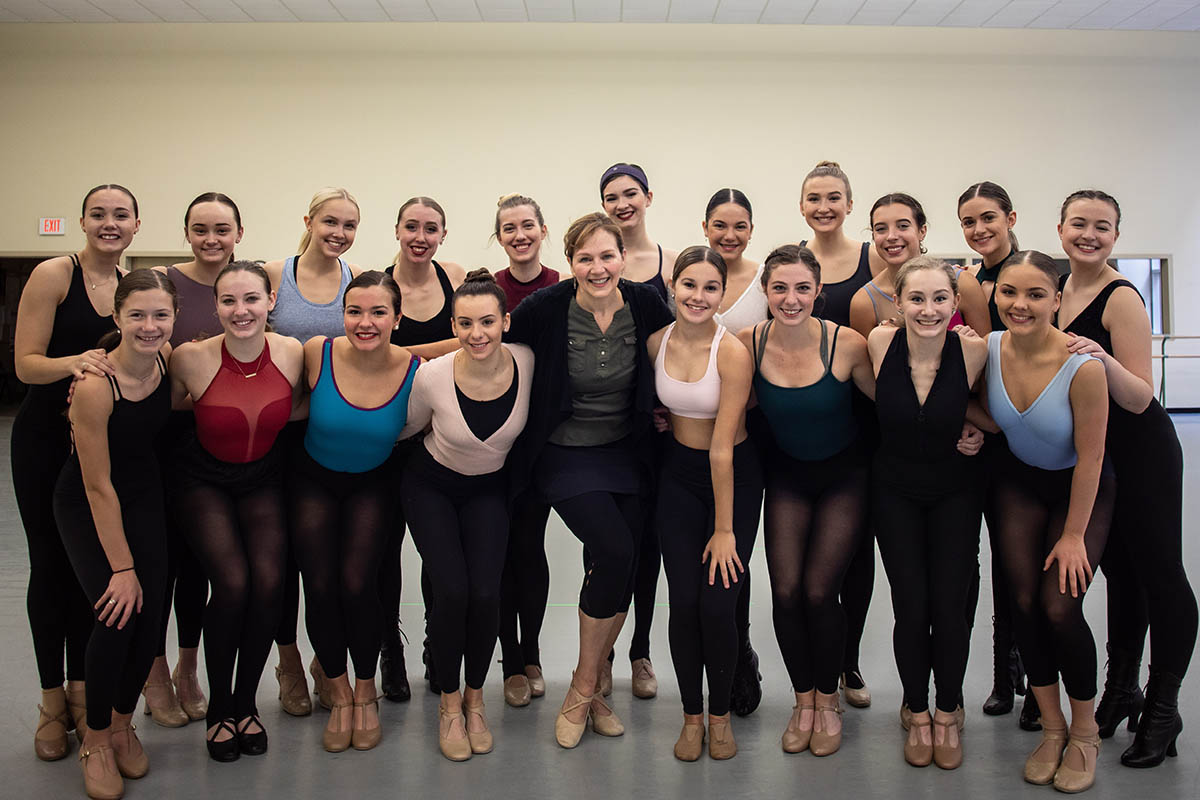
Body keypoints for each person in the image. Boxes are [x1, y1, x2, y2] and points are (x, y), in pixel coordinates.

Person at [505, 211, 673, 748]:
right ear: (570, 262)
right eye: (585, 258)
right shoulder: (544, 309)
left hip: (627, 450)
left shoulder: (646, 305)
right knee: (615, 548)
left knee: (620, 564)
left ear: (623, 259)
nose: (597, 268)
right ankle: (582, 687)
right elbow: (489, 349)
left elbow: (681, 356)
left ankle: (595, 684)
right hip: (563, 451)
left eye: (607, 256)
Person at [1056, 190, 1196, 768]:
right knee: (1120, 572)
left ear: (1116, 235)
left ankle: (1163, 708)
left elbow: (1141, 396)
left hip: (1142, 452)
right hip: (1097, 454)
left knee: (1161, 573)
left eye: (1102, 227)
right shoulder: (1059, 287)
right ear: (1060, 228)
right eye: (1079, 224)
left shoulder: (1121, 298)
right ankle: (1121, 689)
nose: (1089, 235)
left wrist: (1099, 357)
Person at [737, 244, 875, 758]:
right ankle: (802, 701)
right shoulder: (749, 343)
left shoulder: (848, 344)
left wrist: (965, 424)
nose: (790, 299)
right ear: (765, 292)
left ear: (819, 291)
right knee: (786, 591)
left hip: (844, 477)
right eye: (779, 288)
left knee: (820, 592)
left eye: (802, 288)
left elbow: (895, 403)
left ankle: (828, 697)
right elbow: (729, 401)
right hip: (789, 478)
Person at [982, 250, 1111, 792]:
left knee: (1059, 607)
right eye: (1010, 292)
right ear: (995, 295)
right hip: (1019, 484)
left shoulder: (1083, 367)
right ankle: (1051, 727)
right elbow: (961, 405)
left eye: (1036, 294)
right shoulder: (985, 349)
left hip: (1079, 490)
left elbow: (1093, 460)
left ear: (1057, 300)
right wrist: (973, 427)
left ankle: (1085, 732)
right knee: (1024, 603)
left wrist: (1075, 535)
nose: (1021, 304)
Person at [13, 184, 134, 762]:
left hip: (98, 442)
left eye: (121, 215)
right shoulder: (54, 274)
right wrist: (77, 363)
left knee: (93, 573)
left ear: (137, 225)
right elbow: (25, 364)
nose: (109, 224)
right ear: (82, 222)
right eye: (99, 214)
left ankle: (86, 694)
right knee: (50, 567)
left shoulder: (131, 283)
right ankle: (51, 699)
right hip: (44, 441)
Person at [168, 261, 304, 762]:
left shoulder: (292, 353)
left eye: (251, 299)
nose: (240, 311)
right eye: (229, 301)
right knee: (232, 585)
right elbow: (162, 406)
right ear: (215, 306)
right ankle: (219, 706)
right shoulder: (189, 358)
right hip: (202, 480)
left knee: (270, 584)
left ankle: (246, 703)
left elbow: (307, 404)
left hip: (262, 478)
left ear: (271, 301)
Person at [52, 269, 176, 800]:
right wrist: (122, 569)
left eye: (161, 315)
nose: (150, 326)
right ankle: (96, 738)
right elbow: (98, 486)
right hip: (88, 502)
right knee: (118, 613)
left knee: (152, 621)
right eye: (138, 315)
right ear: (116, 317)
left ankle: (124, 722)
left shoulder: (166, 361)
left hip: (144, 495)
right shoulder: (94, 387)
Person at [400, 270, 534, 761]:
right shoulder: (433, 374)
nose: (477, 334)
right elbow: (408, 428)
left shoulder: (527, 362)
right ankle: (450, 704)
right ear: (453, 326)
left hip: (488, 490)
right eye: (464, 324)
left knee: (485, 592)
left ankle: (477, 700)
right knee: (452, 590)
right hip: (431, 486)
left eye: (487, 322)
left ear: (505, 321)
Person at [291, 271, 420, 753]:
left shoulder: (415, 368)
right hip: (313, 480)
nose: (364, 323)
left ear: (397, 318)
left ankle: (366, 691)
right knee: (320, 585)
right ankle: (339, 692)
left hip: (374, 482)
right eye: (354, 312)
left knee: (358, 583)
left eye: (378, 312)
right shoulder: (316, 352)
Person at [868, 257, 989, 770]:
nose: (929, 309)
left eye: (940, 298)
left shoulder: (974, 349)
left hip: (955, 492)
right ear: (898, 304)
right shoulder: (879, 343)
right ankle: (916, 709)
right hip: (894, 492)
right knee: (911, 605)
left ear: (955, 303)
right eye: (916, 299)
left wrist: (977, 428)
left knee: (949, 606)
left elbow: (993, 404)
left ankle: (947, 709)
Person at [140, 192, 245, 729]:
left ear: (238, 234)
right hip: (167, 436)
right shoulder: (163, 282)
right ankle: (154, 671)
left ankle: (188, 667)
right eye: (201, 229)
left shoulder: (244, 285)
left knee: (198, 568)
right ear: (186, 233)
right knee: (161, 561)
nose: (212, 239)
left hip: (218, 442)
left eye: (222, 229)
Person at [651, 246, 759, 761]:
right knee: (686, 602)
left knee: (719, 604)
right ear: (673, 285)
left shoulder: (732, 350)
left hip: (731, 479)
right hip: (676, 479)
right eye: (689, 285)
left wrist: (725, 529)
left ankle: (720, 718)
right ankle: (692, 715)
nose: (698, 296)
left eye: (710, 288)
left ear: (722, 293)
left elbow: (722, 447)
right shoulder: (657, 341)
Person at [263, 188, 363, 715]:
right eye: (330, 221)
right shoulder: (273, 275)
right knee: (283, 560)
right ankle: (288, 660)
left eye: (349, 225)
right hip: (273, 436)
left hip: (324, 440)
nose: (339, 233)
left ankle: (329, 664)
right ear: (309, 220)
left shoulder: (356, 281)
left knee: (325, 560)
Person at [798, 161, 886, 709]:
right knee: (811, 554)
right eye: (814, 198)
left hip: (869, 421)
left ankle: (848, 661)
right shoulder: (796, 262)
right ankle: (816, 659)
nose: (824, 206)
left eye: (834, 197)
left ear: (850, 204)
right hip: (811, 420)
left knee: (857, 553)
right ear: (802, 205)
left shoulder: (873, 257)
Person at [595, 164, 679, 698]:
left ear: (649, 196)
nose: (622, 204)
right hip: (602, 427)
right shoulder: (595, 266)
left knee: (647, 544)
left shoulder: (670, 266)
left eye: (630, 194)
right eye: (611, 197)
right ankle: (597, 653)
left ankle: (640, 652)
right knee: (603, 542)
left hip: (654, 427)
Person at [956, 181, 1037, 726]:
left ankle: (1029, 675)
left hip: (1024, 437)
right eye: (969, 221)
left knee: (1020, 566)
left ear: (1010, 217)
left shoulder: (1030, 274)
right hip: (982, 433)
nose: (980, 229)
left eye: (989, 218)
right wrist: (972, 421)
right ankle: (1002, 675)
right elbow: (972, 362)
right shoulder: (966, 281)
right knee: (976, 560)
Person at [383, 195, 466, 697]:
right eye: (411, 226)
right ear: (396, 230)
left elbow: (470, 339)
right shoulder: (375, 283)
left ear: (442, 235)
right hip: (390, 435)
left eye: (430, 228)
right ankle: (390, 650)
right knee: (385, 551)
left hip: (441, 438)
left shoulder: (452, 278)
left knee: (440, 553)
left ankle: (438, 644)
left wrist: (407, 354)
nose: (420, 236)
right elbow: (364, 348)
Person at [490, 194, 560, 708]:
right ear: (499, 236)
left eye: (527, 225)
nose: (520, 234)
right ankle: (510, 660)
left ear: (542, 230)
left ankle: (532, 652)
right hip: (493, 436)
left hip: (543, 439)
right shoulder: (489, 290)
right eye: (509, 228)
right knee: (500, 552)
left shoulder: (565, 284)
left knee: (530, 548)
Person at [702, 188, 767, 717]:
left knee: (734, 560)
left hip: (750, 434)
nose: (729, 235)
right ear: (705, 228)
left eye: (739, 225)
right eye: (720, 225)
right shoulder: (695, 277)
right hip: (692, 440)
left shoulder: (767, 281)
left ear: (751, 229)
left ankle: (740, 653)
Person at [850, 193, 990, 340]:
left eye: (903, 226)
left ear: (922, 231)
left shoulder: (963, 283)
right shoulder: (864, 302)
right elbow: (868, 361)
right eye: (881, 229)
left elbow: (985, 351)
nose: (891, 236)